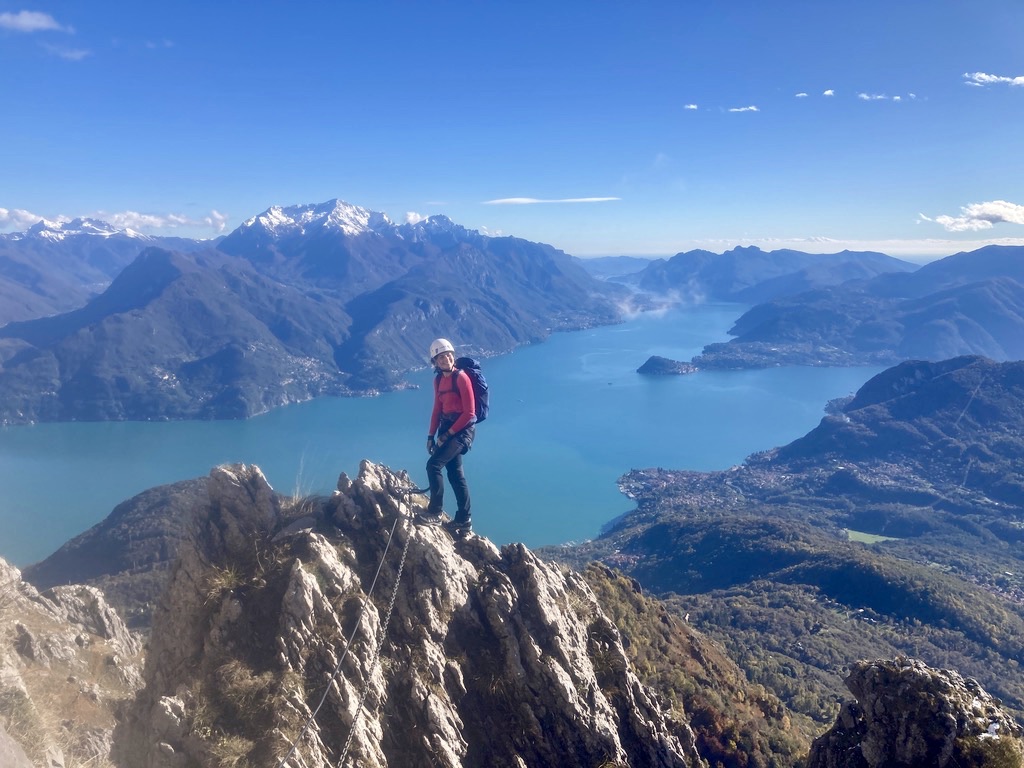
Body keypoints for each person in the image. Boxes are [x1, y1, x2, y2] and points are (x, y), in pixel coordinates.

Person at [418, 338, 476, 538]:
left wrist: (447, 435)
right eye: (441, 357)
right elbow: (437, 409)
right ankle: (464, 519)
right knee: (455, 475)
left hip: (462, 431)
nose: (446, 359)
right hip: (447, 428)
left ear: (453, 356)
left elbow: (469, 413)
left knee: (433, 466)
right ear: (435, 362)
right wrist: (430, 436)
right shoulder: (438, 380)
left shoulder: (461, 378)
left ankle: (435, 512)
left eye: (448, 355)